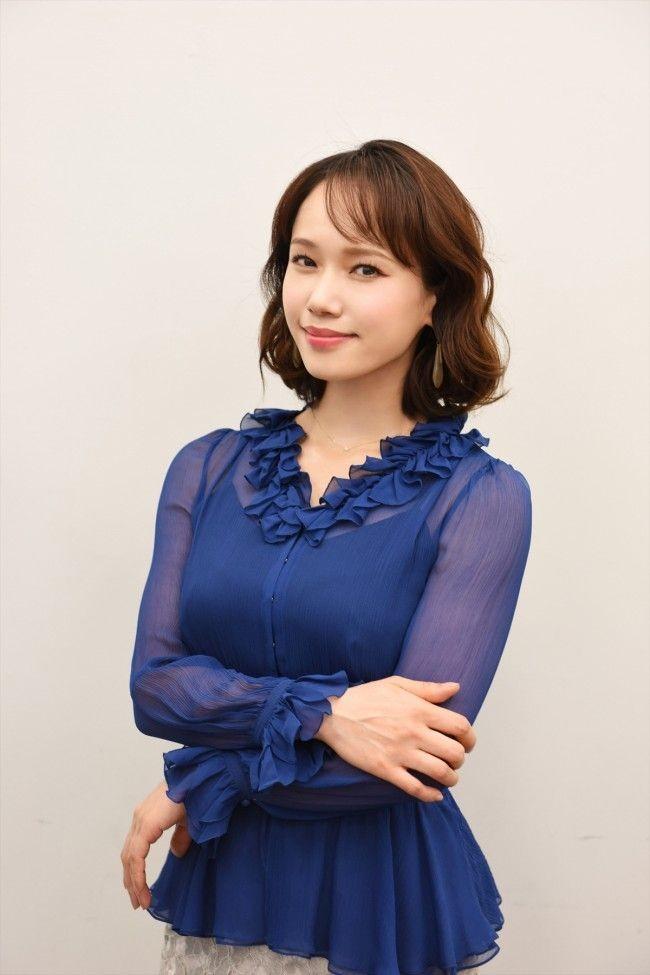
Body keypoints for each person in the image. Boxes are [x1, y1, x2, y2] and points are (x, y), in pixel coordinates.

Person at [121, 139, 533, 975]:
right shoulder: (207, 467)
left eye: (366, 268)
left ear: (437, 296)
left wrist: (206, 780)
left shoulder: (480, 498)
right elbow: (156, 685)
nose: (321, 296)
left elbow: (406, 764)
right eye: (305, 261)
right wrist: (330, 715)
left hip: (377, 907)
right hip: (221, 890)